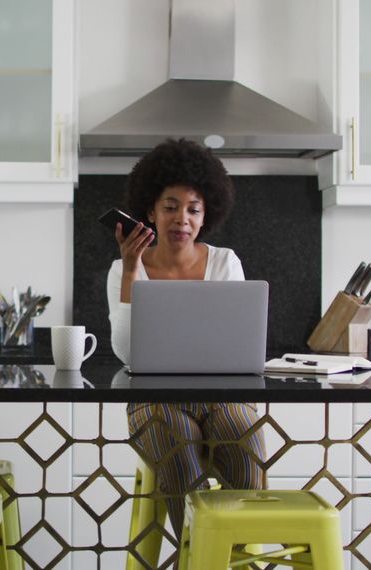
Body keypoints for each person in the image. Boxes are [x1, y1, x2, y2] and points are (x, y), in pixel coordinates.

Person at [105, 138, 267, 541]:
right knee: (180, 457)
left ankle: (238, 553)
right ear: (150, 212)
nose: (182, 219)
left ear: (205, 214)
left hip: (221, 396)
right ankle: (195, 556)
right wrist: (131, 270)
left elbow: (237, 342)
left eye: (193, 209)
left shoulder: (224, 263)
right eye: (170, 207)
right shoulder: (122, 268)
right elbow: (126, 352)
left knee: (245, 450)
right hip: (153, 401)